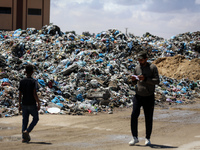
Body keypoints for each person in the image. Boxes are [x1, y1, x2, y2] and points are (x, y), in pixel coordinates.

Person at [129, 51, 160, 146]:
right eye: (138, 60)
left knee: (148, 118)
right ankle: (135, 137)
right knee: (134, 116)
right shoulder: (137, 68)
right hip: (138, 96)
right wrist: (133, 80)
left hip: (148, 97)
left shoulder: (152, 68)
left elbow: (157, 81)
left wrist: (146, 79)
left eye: (141, 60)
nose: (140, 62)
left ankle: (147, 138)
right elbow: (133, 83)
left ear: (146, 59)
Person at [18, 64, 40, 143]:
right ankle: (27, 131)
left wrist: (19, 104)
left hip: (24, 103)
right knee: (36, 118)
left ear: (25, 72)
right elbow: (34, 93)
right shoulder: (33, 81)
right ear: (32, 72)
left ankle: (24, 138)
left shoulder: (22, 81)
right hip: (31, 103)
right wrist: (38, 103)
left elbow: (20, 94)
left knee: (25, 121)